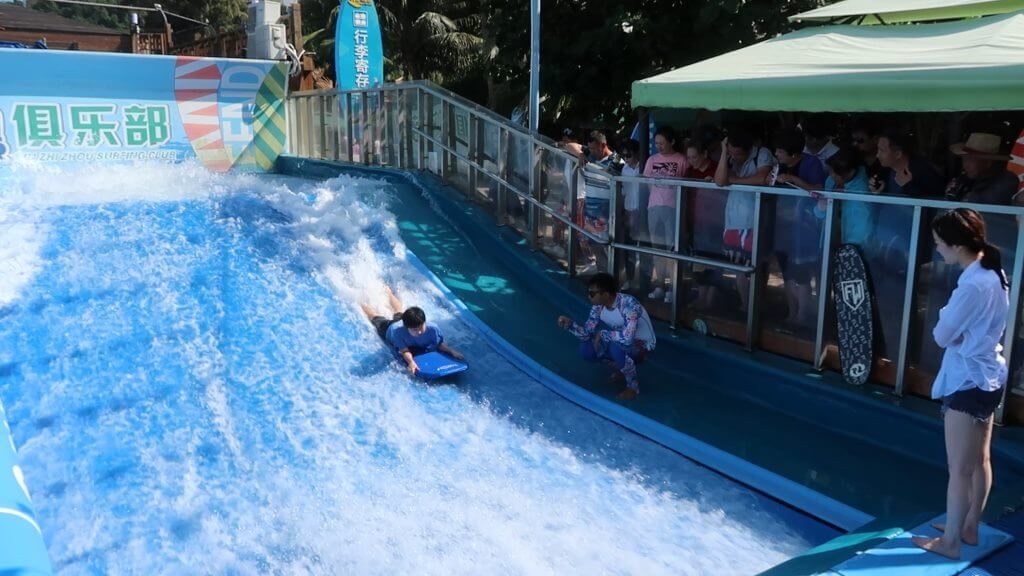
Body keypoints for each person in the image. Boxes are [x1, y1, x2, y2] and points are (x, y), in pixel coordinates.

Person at [911, 208, 1009, 560]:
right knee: (980, 459)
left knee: (959, 468)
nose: (937, 250)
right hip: (990, 376)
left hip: (968, 380)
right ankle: (969, 525)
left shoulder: (971, 284)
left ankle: (951, 541)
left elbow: (941, 336)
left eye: (939, 244)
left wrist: (948, 325)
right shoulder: (994, 271)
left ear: (956, 245)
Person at [557, 273, 657, 400]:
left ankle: (633, 387)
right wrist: (570, 325)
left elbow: (627, 339)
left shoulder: (629, 305)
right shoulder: (597, 308)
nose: (589, 296)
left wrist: (604, 334)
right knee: (587, 350)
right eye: (588, 292)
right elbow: (587, 334)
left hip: (644, 344)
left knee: (617, 348)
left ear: (606, 294)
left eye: (592, 293)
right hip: (621, 339)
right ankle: (622, 369)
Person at [714, 130, 775, 313]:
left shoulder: (762, 153)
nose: (735, 157)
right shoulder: (729, 156)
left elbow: (763, 178)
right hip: (733, 220)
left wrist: (735, 180)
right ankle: (748, 306)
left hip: (754, 220)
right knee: (738, 266)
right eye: (732, 152)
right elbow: (720, 180)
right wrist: (724, 152)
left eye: (738, 154)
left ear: (750, 149)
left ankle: (758, 304)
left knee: (757, 265)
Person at [361, 286, 464, 375]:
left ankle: (388, 292)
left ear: (424, 322)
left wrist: (452, 351)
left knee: (399, 312)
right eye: (415, 330)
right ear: (406, 327)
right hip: (389, 328)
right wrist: (411, 362)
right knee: (375, 317)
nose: (419, 332)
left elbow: (439, 344)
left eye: (421, 327)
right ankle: (361, 302)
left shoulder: (432, 328)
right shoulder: (398, 333)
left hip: (403, 321)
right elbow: (404, 350)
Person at [643, 126, 688, 303]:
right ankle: (660, 285)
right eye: (656, 143)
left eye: (662, 143)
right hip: (654, 207)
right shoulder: (652, 159)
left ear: (672, 142)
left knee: (671, 248)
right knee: (657, 248)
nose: (659, 146)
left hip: (673, 207)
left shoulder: (681, 159)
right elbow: (646, 182)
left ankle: (672, 287)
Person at [944, 132, 1018, 205]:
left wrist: (963, 193)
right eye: (964, 159)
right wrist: (951, 195)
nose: (965, 165)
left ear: (988, 162)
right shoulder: (970, 178)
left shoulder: (1007, 180)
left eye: (970, 160)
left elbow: (984, 205)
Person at [871, 129, 944, 198]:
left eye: (882, 150)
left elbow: (935, 200)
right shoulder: (884, 170)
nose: (877, 155)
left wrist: (907, 186)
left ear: (898, 154)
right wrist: (879, 188)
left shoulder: (924, 171)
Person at [619, 138, 648, 291]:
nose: (626, 159)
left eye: (628, 155)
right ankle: (630, 280)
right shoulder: (625, 169)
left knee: (643, 250)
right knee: (629, 248)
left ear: (637, 154)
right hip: (629, 211)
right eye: (623, 156)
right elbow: (624, 192)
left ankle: (644, 282)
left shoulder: (643, 168)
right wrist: (624, 213)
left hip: (642, 212)